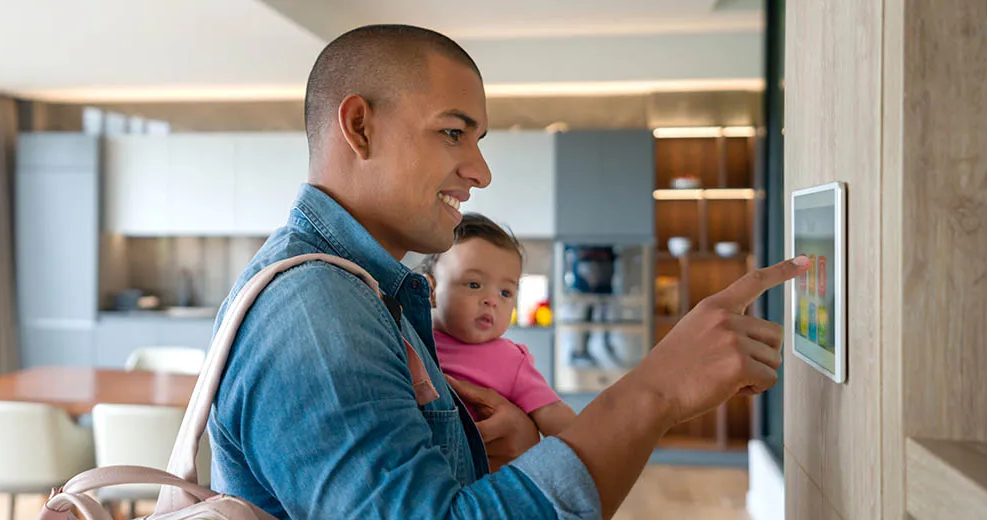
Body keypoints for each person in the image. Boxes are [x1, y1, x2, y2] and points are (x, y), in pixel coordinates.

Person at [205, 24, 809, 519]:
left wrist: (508, 451)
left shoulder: (365, 294)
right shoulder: (317, 311)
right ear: (360, 127)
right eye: (452, 133)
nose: (481, 171)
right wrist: (657, 389)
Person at [419, 213, 576, 446]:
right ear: (430, 290)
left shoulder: (510, 360)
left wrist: (589, 452)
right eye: (474, 284)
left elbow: (553, 413)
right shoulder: (409, 339)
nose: (492, 300)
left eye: (505, 292)